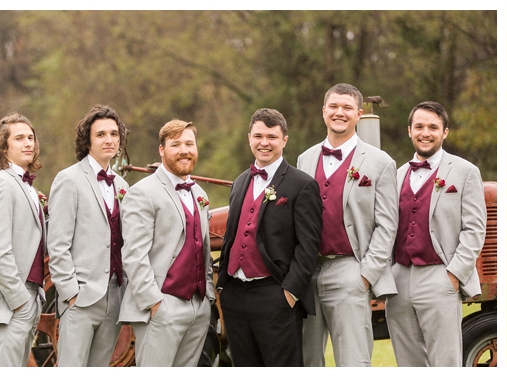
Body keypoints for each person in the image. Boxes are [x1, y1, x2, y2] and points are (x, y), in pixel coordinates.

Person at [298, 83, 398, 367]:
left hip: (351, 269)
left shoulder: (380, 162)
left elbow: (387, 225)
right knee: (306, 360)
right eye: (333, 106)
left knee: (353, 361)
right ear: (323, 111)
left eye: (347, 108)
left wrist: (365, 275)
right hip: (308, 272)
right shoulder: (305, 159)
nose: (339, 113)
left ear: (359, 114)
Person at [217, 108, 323, 366]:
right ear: (249, 138)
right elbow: (231, 236)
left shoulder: (302, 184)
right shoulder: (240, 181)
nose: (264, 143)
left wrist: (289, 293)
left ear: (284, 140)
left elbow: (308, 246)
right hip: (235, 296)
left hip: (275, 294)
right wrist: (223, 286)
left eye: (272, 137)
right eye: (258, 136)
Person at [387, 101, 487, 366]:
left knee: (445, 360)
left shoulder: (465, 172)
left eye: (433, 127)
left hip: (440, 273)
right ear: (409, 131)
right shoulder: (396, 175)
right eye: (419, 126)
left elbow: (475, 229)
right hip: (399, 278)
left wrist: (454, 275)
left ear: (445, 132)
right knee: (407, 361)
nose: (425, 132)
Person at [119, 119, 214, 367]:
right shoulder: (142, 192)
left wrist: (208, 299)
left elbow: (203, 251)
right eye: (176, 144)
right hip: (161, 306)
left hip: (198, 307)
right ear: (162, 150)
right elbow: (133, 255)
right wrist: (154, 303)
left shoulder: (200, 195)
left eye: (189, 144)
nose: (184, 150)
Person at [47, 105, 130, 366]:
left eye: (114, 134)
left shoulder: (123, 185)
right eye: (101, 134)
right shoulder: (68, 179)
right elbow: (57, 243)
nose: (109, 140)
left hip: (115, 297)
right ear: (88, 141)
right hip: (80, 297)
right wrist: (71, 293)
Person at [0, 113, 47, 367]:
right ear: (4, 148)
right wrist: (20, 301)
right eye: (19, 138)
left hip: (28, 298)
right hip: (10, 302)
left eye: (31, 137)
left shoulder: (26, 186)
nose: (28, 143)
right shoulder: (2, 184)